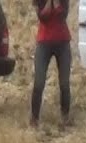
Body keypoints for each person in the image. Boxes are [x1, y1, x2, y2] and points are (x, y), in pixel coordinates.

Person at [29, 0, 72, 129]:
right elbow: (43, 17)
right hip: (44, 42)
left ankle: (65, 117)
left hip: (63, 42)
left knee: (64, 83)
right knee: (39, 82)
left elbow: (62, 16)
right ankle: (34, 118)